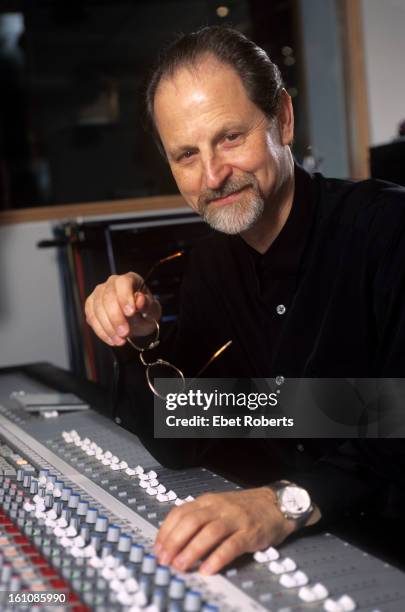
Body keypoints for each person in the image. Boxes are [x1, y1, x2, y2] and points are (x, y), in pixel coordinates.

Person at [85, 27, 405, 576]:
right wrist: (141, 340)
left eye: (230, 137)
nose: (211, 175)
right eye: (186, 154)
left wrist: (279, 500)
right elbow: (193, 436)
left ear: (282, 118)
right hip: (298, 551)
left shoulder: (388, 228)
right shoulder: (211, 263)